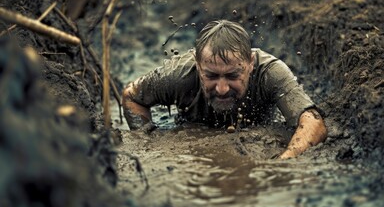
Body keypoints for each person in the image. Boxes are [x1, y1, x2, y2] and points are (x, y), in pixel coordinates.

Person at [122, 20, 327, 159]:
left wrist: (286, 161)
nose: (221, 89)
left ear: (250, 64)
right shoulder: (178, 74)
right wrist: (148, 139)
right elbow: (132, 95)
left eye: (232, 76)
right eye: (210, 76)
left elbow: (313, 121)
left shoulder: (270, 72)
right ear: (198, 65)